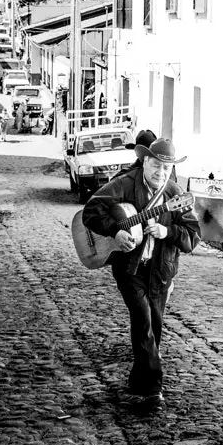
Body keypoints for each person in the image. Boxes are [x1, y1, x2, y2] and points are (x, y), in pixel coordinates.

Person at [82, 138, 200, 410]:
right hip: (129, 268)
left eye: (166, 168)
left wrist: (167, 232)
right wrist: (115, 230)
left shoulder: (175, 195)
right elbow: (91, 211)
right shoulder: (124, 184)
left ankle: (139, 378)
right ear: (145, 162)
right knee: (143, 319)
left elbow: (193, 238)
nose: (161, 172)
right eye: (156, 165)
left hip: (160, 271)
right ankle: (153, 390)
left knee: (153, 327)